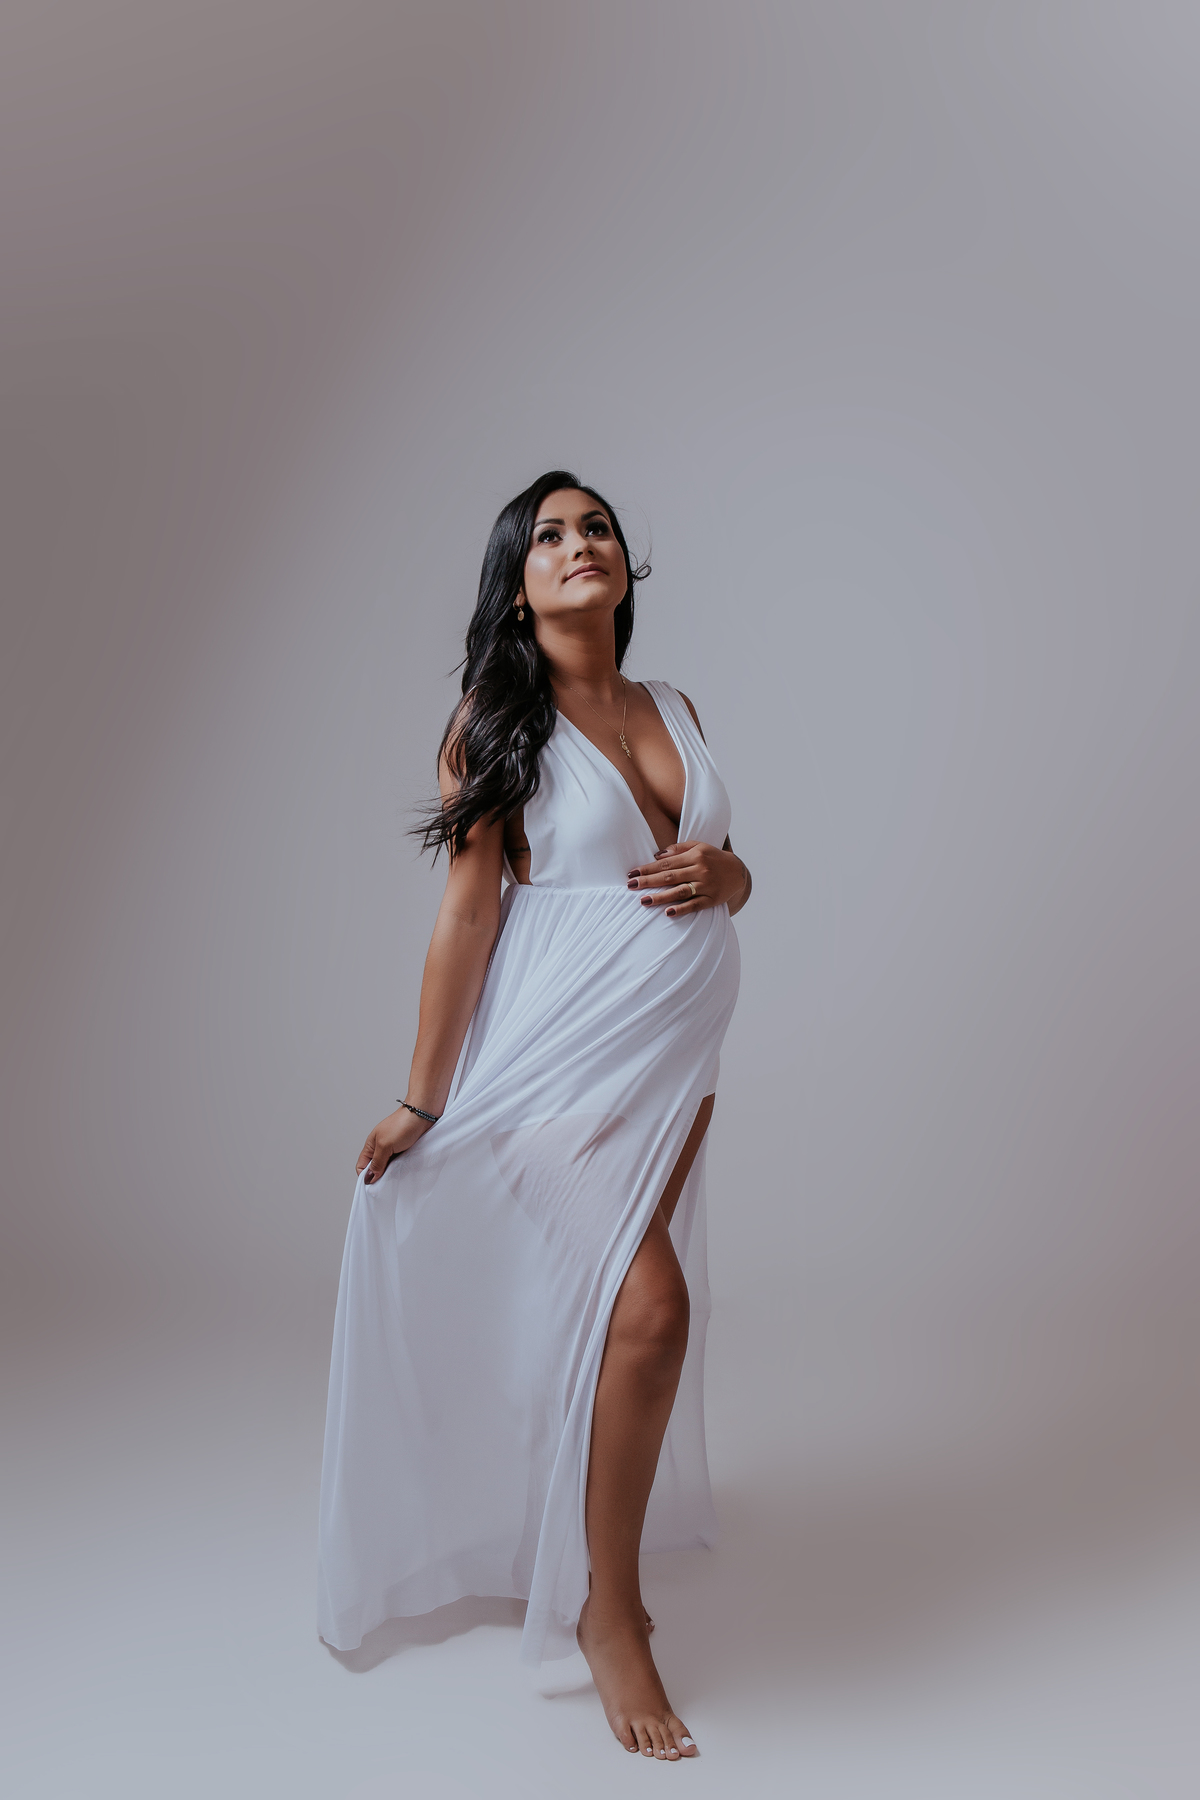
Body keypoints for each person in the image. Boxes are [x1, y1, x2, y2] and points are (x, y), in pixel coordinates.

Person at [318, 471, 751, 1760]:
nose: (579, 545)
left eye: (595, 527)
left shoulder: (674, 706)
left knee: (615, 1318)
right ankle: (609, 1612)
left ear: (624, 565)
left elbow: (719, 877)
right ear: (518, 587)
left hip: (671, 1060)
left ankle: (581, 1540)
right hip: (551, 1067)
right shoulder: (495, 724)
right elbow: (468, 916)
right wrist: (422, 1097)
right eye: (549, 537)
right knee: (653, 1312)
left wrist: (732, 874)